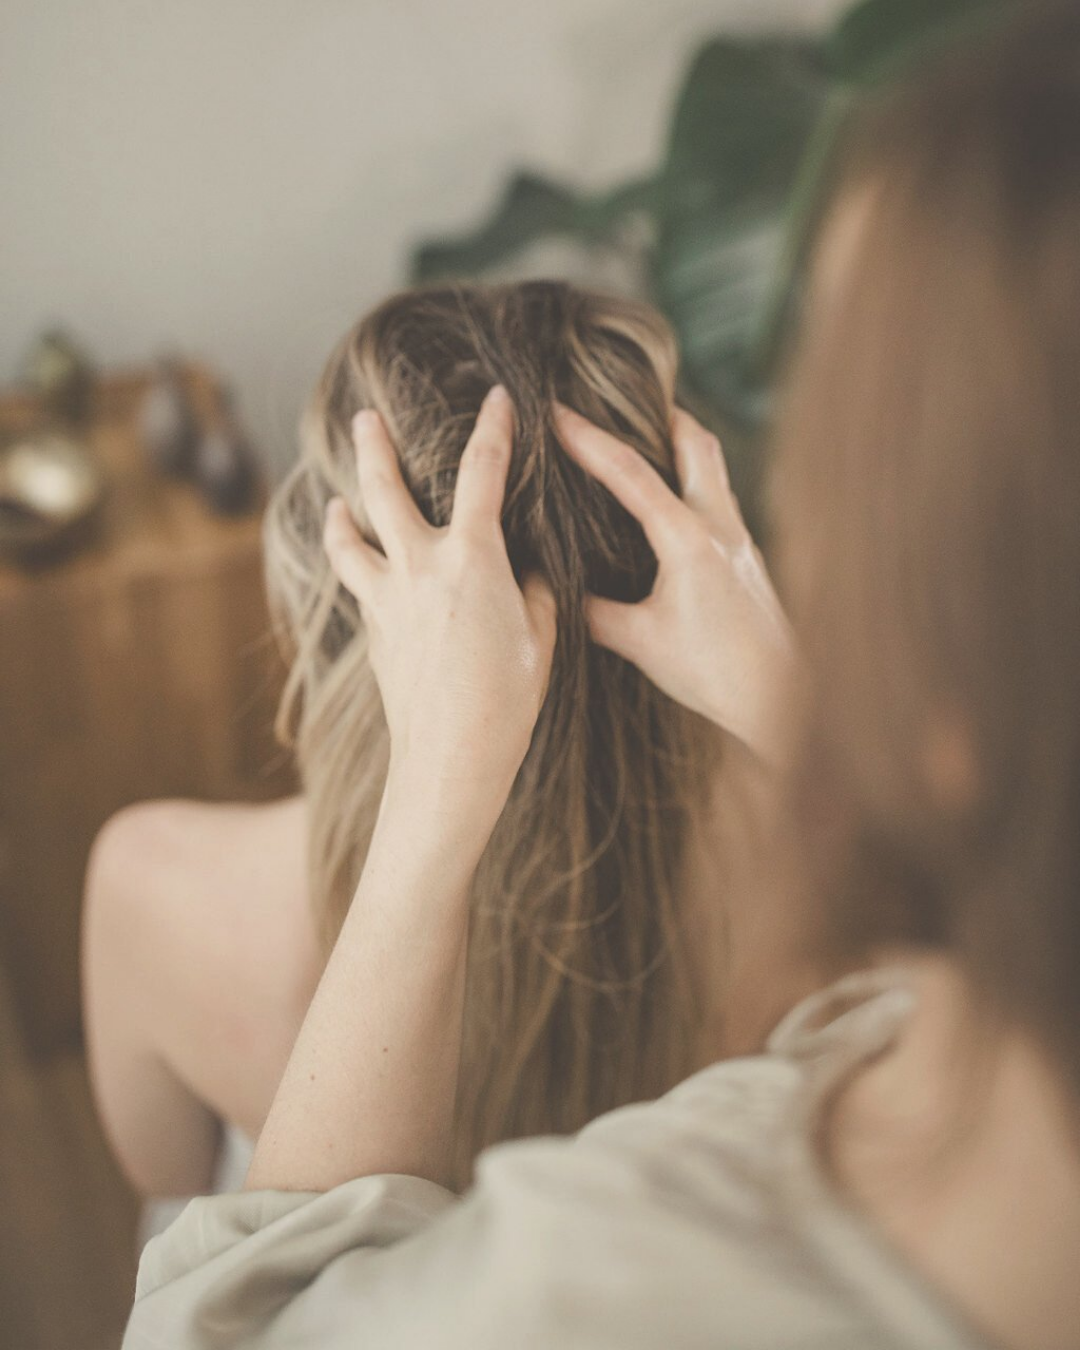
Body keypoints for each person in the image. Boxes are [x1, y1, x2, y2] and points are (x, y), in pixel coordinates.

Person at [123, 7, 1080, 1348]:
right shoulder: (865, 948)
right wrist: (793, 706)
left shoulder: (151, 888)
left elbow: (207, 1290)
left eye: (845, 425)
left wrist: (431, 815)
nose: (788, 479)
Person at [82, 285, 778, 1200]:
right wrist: (785, 684)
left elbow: (182, 1216)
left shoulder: (156, 893)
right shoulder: (844, 875)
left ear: (339, 589)